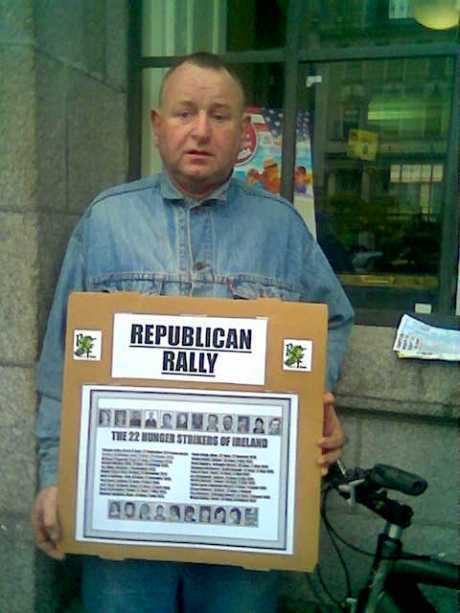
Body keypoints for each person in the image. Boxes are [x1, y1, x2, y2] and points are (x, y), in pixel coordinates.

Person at [32, 51, 353, 613]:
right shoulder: (105, 221)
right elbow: (65, 360)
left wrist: (308, 408)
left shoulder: (281, 228)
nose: (200, 130)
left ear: (244, 131)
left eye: (219, 115)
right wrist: (55, 474)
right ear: (158, 127)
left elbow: (331, 321)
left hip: (242, 521)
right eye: (184, 113)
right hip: (124, 518)